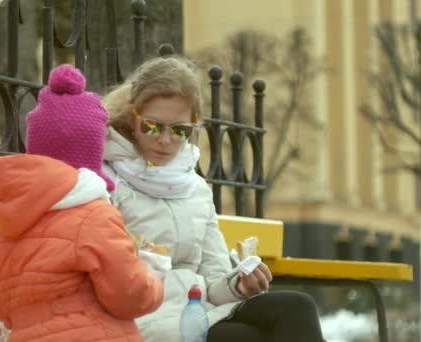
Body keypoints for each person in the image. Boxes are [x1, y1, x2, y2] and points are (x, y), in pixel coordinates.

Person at [102, 56, 326, 342]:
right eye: (153, 126)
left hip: (201, 311)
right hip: (147, 319)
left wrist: (240, 284)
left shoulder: (194, 187)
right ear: (133, 120)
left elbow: (216, 280)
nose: (165, 140)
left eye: (180, 131)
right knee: (248, 338)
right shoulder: (107, 179)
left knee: (296, 307)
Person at [0, 64, 164, 342]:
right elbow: (130, 295)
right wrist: (154, 278)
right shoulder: (94, 214)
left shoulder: (10, 224)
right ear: (91, 154)